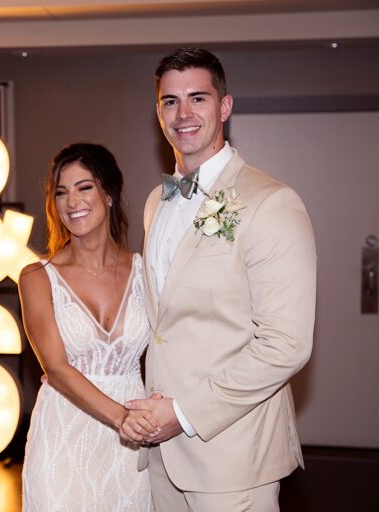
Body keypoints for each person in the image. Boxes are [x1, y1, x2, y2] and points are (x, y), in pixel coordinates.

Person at [120, 48, 317, 511]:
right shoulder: (156, 203)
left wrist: (183, 414)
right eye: (170, 101)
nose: (183, 114)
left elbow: (286, 344)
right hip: (162, 453)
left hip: (232, 458)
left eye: (198, 99)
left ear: (224, 107)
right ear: (158, 112)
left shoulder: (272, 203)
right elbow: (165, 325)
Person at [19, 143, 155, 511]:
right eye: (60, 192)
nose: (71, 201)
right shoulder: (37, 277)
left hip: (131, 445)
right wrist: (121, 417)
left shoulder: (147, 271)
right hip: (63, 436)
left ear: (108, 194)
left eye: (83, 187)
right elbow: (57, 369)